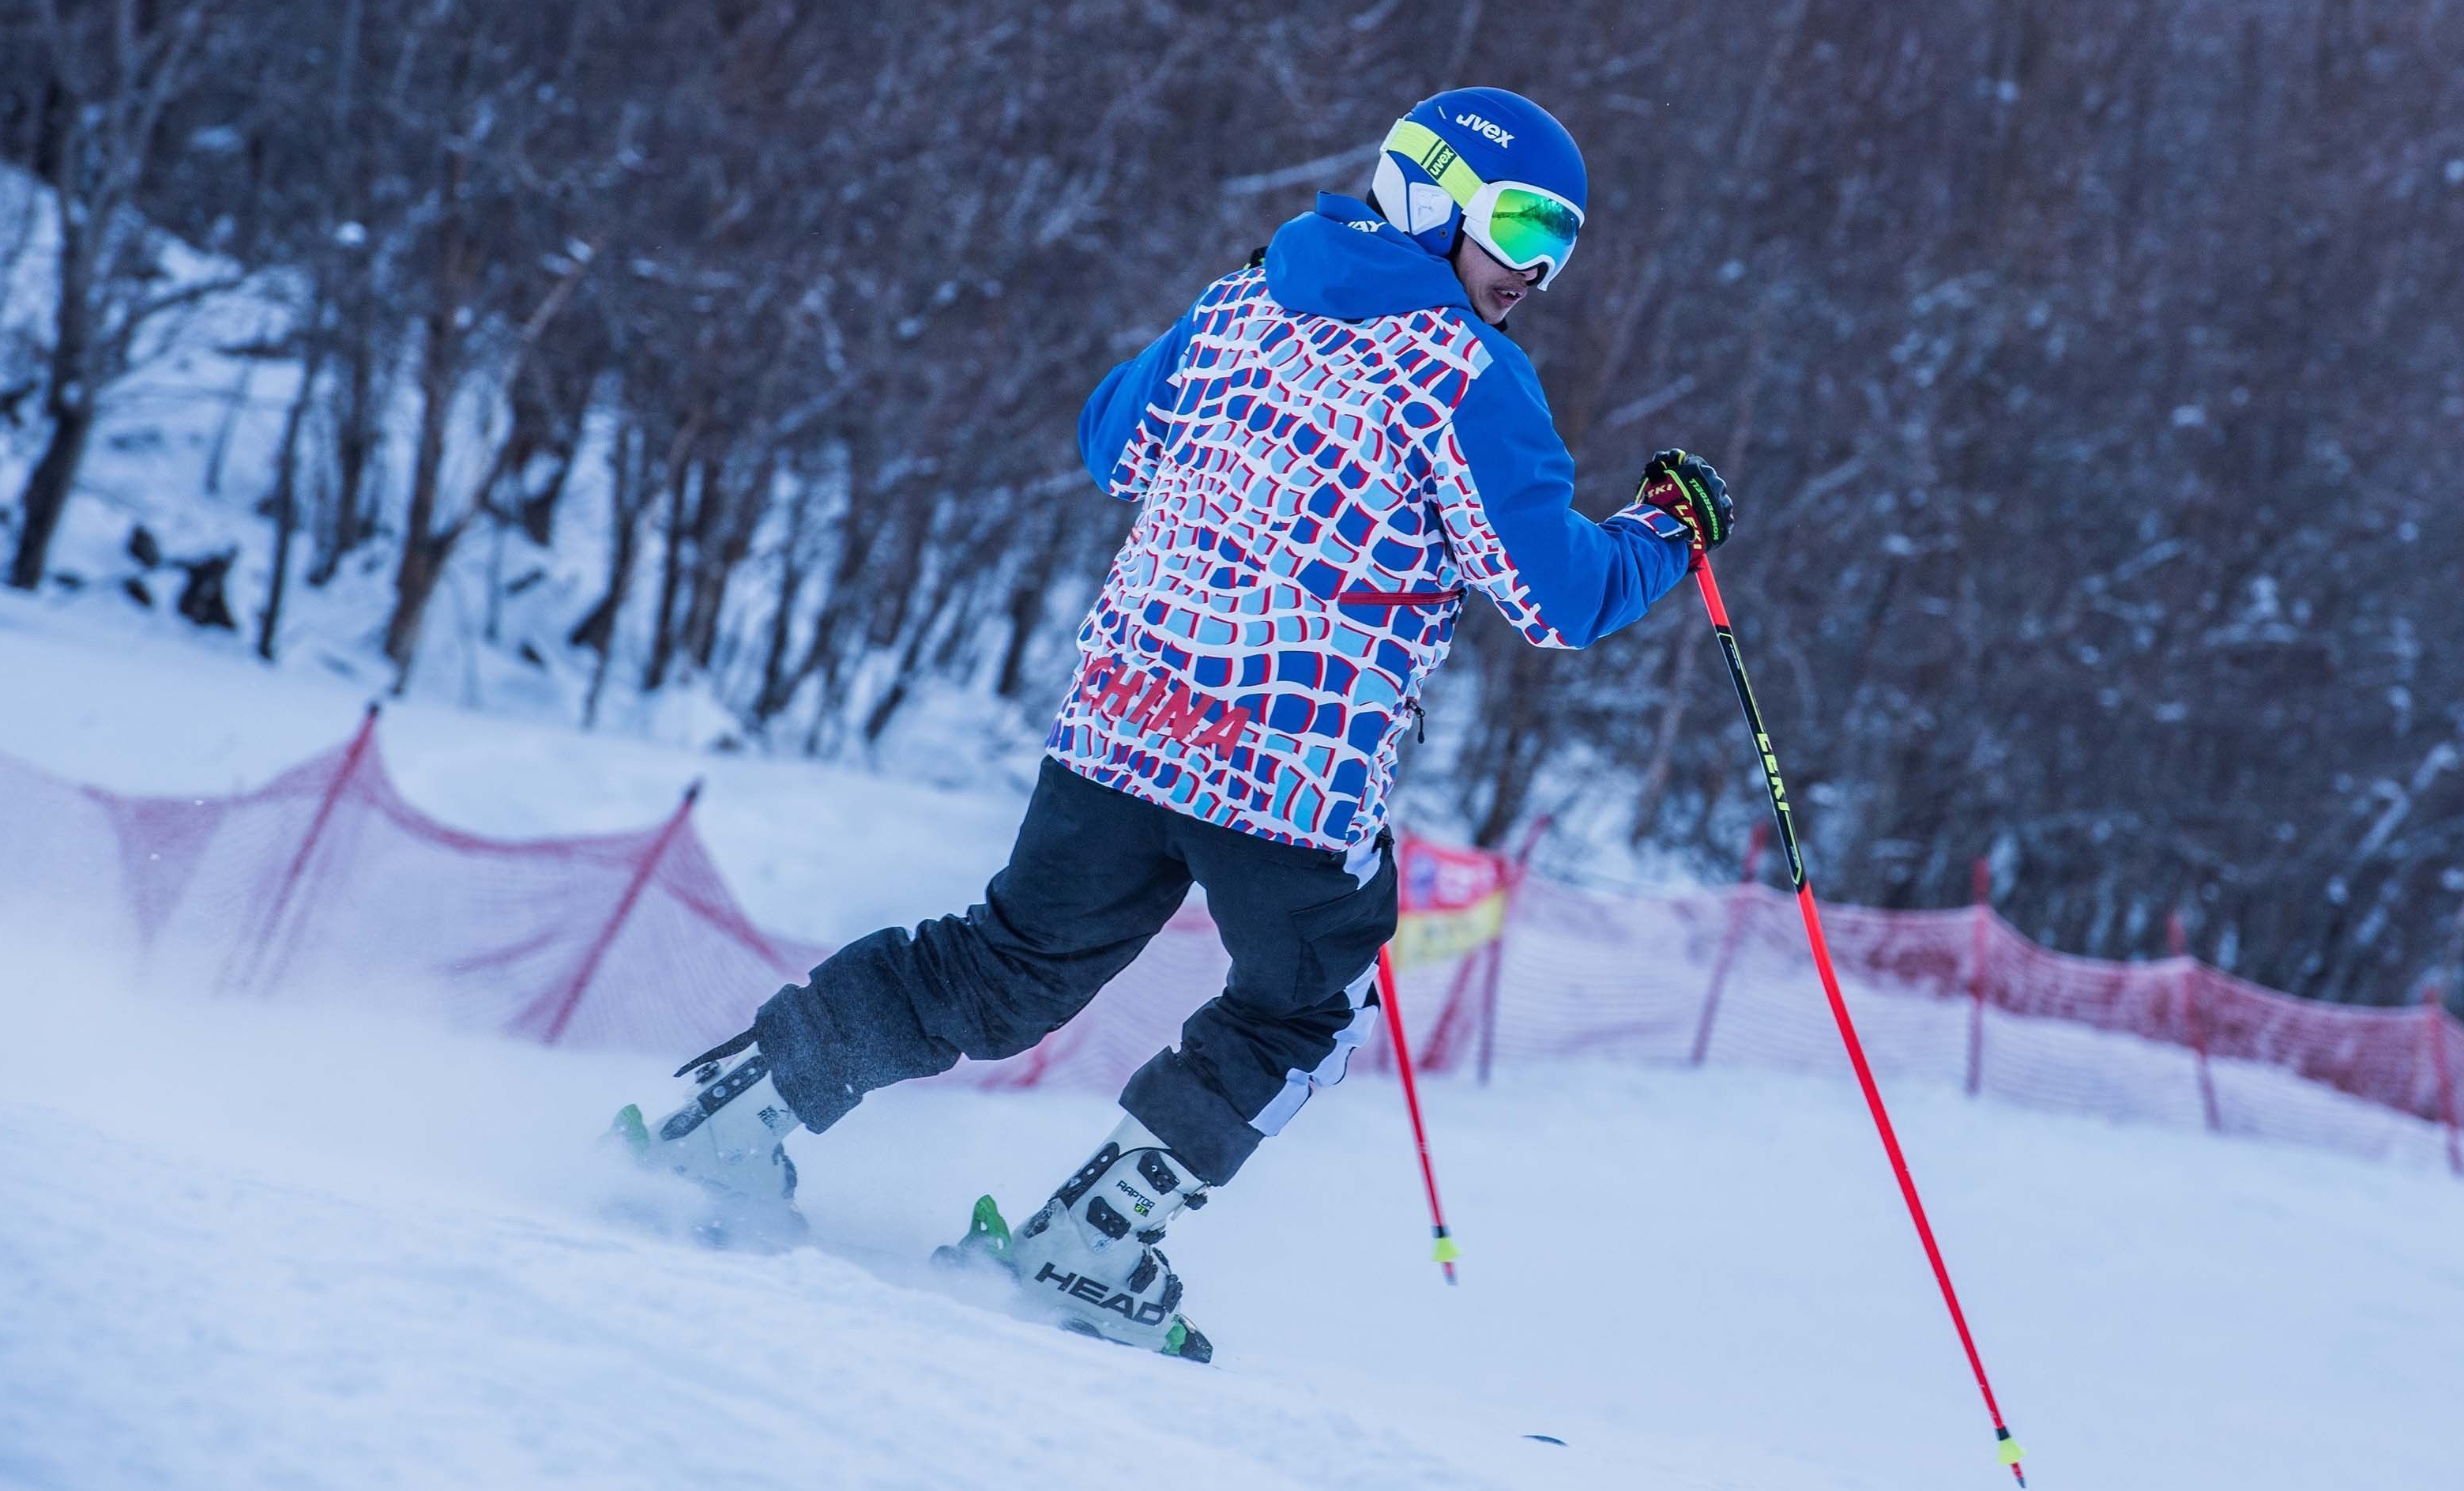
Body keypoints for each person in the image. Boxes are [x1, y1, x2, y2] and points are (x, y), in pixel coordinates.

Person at [620, 86, 1733, 1359]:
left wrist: (1231, 312)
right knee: (1301, 1013)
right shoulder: (1473, 376)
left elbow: (1112, 443)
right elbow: (1556, 596)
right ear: (1435, 196)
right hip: (1285, 768)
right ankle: (1087, 1245)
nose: (1539, 271)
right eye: (1528, 228)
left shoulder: (1244, 299)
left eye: (1563, 246)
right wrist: (1668, 530)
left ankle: (737, 1118)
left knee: (1005, 965)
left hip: (1128, 719)